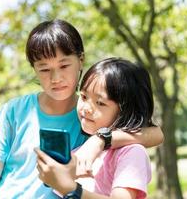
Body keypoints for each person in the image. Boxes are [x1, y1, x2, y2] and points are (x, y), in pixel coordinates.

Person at [0, 19, 163, 199]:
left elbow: (156, 134)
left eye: (64, 65)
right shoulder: (14, 112)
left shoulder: (92, 118)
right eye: (44, 69)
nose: (56, 78)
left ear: (81, 60)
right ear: (34, 69)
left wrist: (99, 139)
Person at [35, 57, 155, 199]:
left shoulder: (131, 153)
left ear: (126, 110)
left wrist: (69, 188)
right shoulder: (80, 152)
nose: (86, 108)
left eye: (100, 103)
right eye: (84, 97)